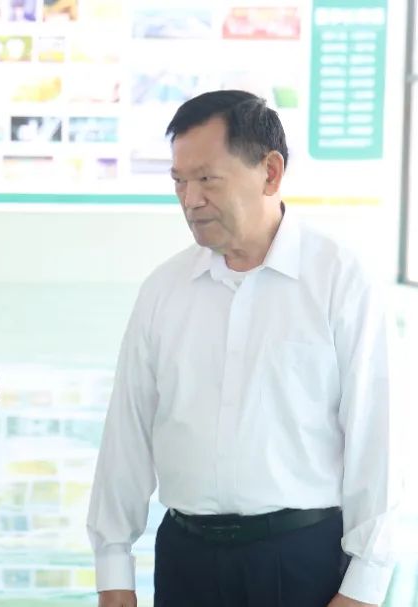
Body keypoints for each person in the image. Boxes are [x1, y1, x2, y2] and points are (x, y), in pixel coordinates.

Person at [87, 90, 399, 607]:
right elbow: (127, 433)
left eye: (207, 179)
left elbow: (379, 439)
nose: (190, 199)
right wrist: (113, 570)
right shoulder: (164, 290)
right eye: (179, 181)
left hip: (301, 560)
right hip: (186, 561)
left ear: (270, 173)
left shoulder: (339, 279)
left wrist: (365, 586)